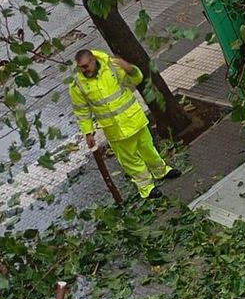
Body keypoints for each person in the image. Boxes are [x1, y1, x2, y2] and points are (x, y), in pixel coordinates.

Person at [69, 49, 179, 200]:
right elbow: (82, 111)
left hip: (134, 119)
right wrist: (88, 133)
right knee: (130, 160)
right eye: (81, 67)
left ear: (93, 59)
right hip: (115, 129)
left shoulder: (112, 66)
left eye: (86, 66)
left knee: (148, 148)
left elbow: (136, 79)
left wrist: (129, 68)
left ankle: (161, 171)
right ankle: (146, 188)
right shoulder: (77, 84)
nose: (84, 70)